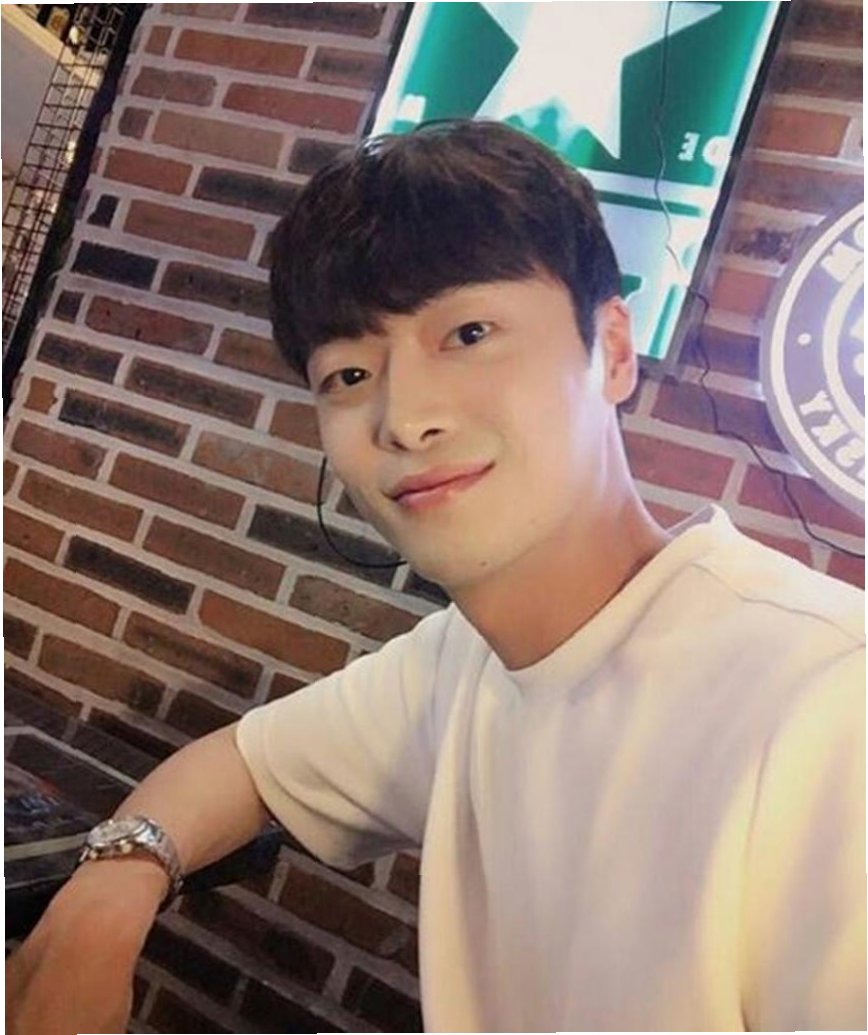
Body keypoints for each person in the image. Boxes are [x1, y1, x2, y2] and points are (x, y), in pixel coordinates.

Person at [7, 120, 865, 1034]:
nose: (403, 417)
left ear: (612, 349)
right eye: (347, 374)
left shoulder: (826, 707)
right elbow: (243, 765)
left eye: (468, 331)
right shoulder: (462, 664)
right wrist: (108, 892)